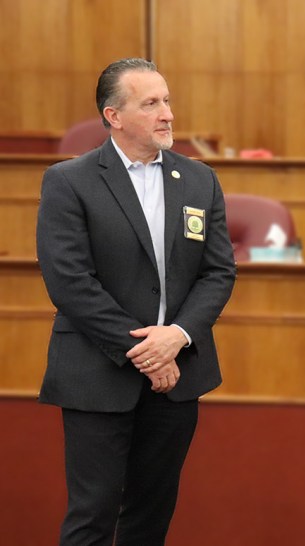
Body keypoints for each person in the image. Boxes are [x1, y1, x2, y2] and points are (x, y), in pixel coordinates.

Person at [36, 58, 236, 545]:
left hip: (178, 375)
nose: (167, 113)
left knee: (150, 518)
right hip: (99, 375)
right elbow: (69, 282)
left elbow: (218, 272)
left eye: (167, 100)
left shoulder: (199, 180)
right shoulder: (69, 181)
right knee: (93, 517)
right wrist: (147, 352)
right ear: (114, 116)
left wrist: (177, 336)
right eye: (150, 104)